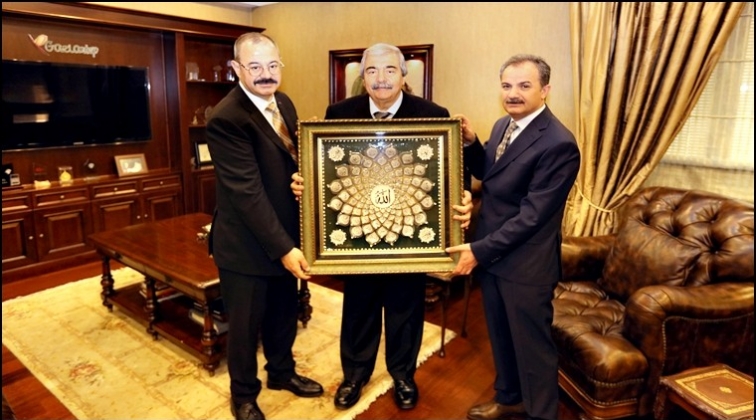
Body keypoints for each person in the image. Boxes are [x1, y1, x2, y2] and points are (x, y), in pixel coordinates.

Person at [292, 42, 472, 412]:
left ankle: (403, 375)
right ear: (363, 77)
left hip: (411, 234)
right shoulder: (339, 113)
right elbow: (327, 170)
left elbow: (453, 171)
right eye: (372, 71)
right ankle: (355, 375)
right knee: (359, 307)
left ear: (404, 75)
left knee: (406, 308)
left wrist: (464, 196)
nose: (381, 79)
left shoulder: (432, 114)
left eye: (390, 70)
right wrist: (305, 185)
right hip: (359, 235)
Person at [446, 54, 581, 420]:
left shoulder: (559, 143)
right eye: (507, 86)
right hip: (494, 257)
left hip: (526, 265)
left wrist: (478, 250)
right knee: (502, 338)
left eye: (524, 86)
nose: (513, 94)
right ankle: (509, 399)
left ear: (545, 90)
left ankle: (541, 414)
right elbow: (491, 173)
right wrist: (472, 143)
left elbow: (532, 216)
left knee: (533, 348)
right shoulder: (504, 124)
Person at [205, 32, 323, 420]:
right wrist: (286, 249)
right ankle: (242, 395)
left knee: (283, 314)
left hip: (283, 234)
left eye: (273, 65)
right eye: (255, 66)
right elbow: (247, 194)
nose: (266, 74)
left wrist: (303, 179)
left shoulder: (283, 102)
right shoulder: (226, 118)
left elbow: (290, 161)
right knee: (244, 327)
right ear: (236, 68)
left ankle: (281, 373)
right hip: (245, 246)